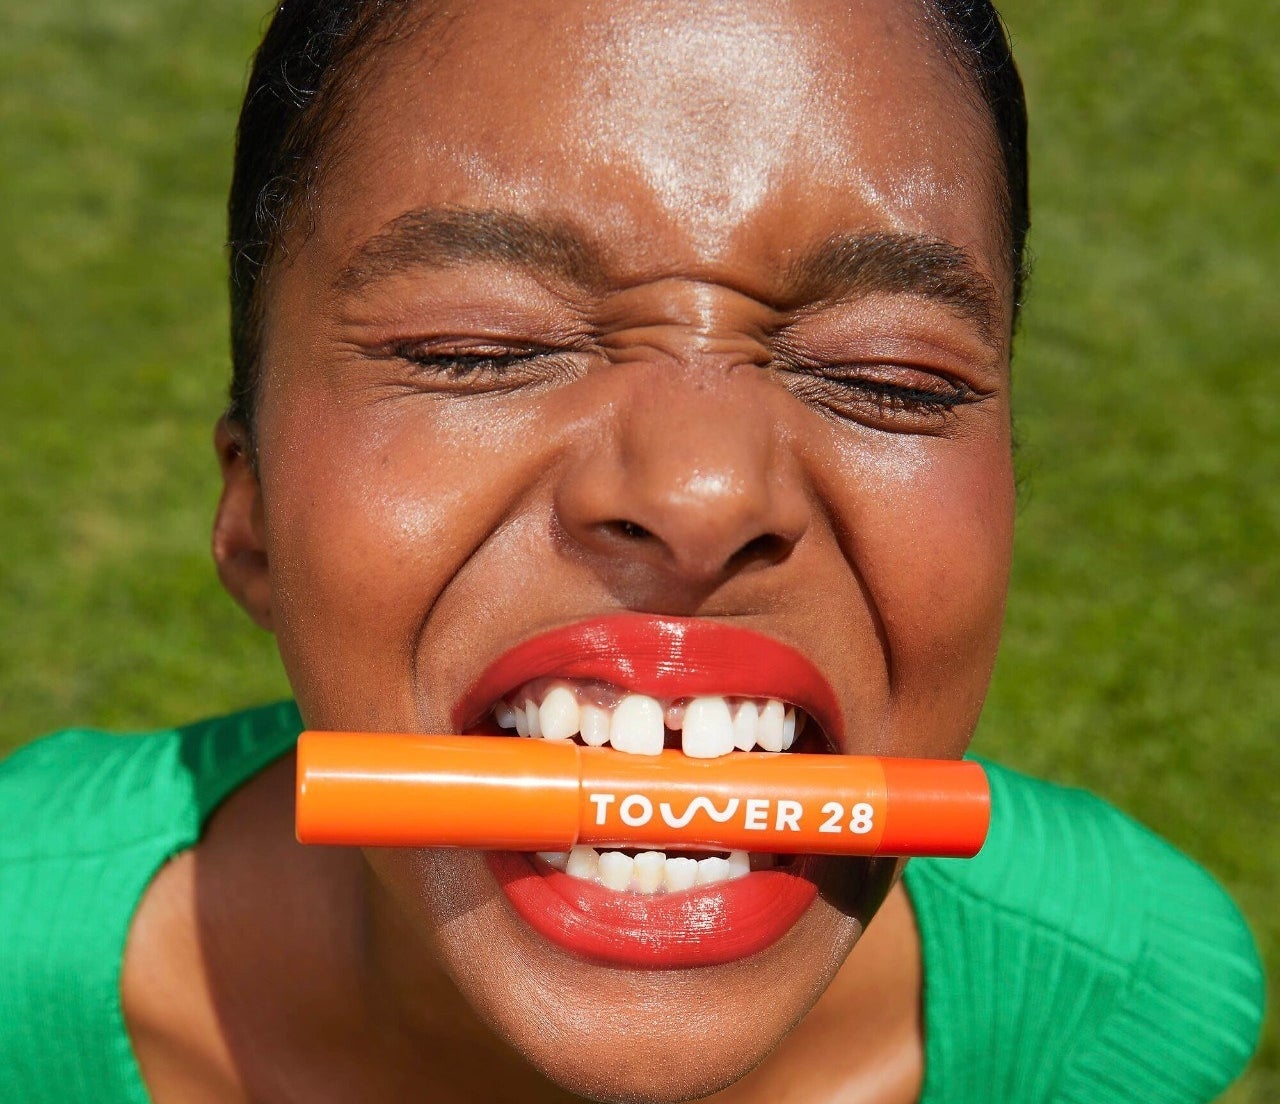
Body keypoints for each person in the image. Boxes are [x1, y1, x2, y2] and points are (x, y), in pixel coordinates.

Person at [0, 1, 1264, 1101]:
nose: (701, 490)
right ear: (253, 512)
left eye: (887, 375)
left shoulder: (1117, 1003)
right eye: (474, 349)